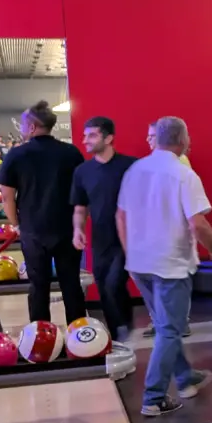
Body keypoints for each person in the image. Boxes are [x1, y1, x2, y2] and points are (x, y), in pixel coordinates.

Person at [117, 117, 212, 416]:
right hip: (170, 265)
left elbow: (120, 216)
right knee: (170, 330)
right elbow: (197, 223)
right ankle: (154, 397)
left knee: (166, 326)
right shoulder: (183, 174)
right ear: (181, 140)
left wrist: (131, 253)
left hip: (140, 263)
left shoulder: (134, 170)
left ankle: (186, 379)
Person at [0, 100, 87, 325]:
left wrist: (17, 224)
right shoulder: (71, 152)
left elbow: (7, 197)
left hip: (33, 230)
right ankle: (79, 335)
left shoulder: (16, 155)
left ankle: (40, 334)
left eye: (22, 124)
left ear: (31, 127)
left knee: (38, 286)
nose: (21, 128)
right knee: (71, 284)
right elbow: (81, 193)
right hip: (67, 230)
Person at [71, 116, 137, 343]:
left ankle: (124, 328)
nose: (85, 141)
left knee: (114, 284)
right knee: (104, 287)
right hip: (100, 241)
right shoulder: (82, 171)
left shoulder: (131, 166)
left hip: (128, 238)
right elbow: (80, 208)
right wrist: (78, 230)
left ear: (108, 138)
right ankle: (118, 333)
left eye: (92, 135)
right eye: (85, 135)